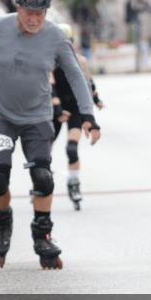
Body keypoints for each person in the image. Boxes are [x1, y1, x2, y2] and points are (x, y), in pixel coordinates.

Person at [0, 0, 101, 269]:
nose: (34, 19)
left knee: (43, 177)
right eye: (28, 13)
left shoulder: (56, 37)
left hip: (37, 117)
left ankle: (42, 234)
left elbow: (75, 76)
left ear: (46, 12)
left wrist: (88, 115)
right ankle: (3, 220)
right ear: (18, 8)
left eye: (40, 13)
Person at [50, 23, 104, 211]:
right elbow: (51, 87)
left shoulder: (80, 61)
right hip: (55, 112)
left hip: (73, 110)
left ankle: (74, 185)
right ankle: (40, 183)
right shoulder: (48, 61)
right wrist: (56, 111)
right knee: (43, 152)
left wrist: (96, 100)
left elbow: (88, 83)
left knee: (72, 149)